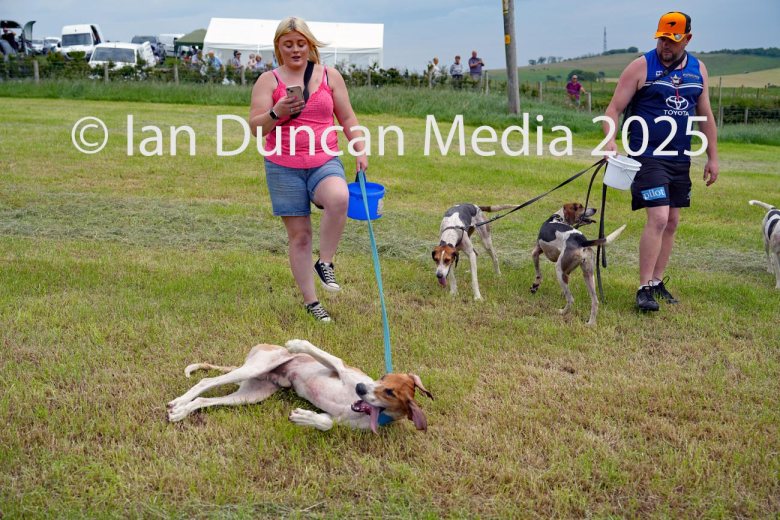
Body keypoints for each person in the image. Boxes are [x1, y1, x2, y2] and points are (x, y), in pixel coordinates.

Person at [249, 16, 368, 322]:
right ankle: (312, 302)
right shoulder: (268, 81)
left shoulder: (330, 76)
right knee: (300, 236)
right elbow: (255, 127)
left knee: (339, 197)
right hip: (283, 166)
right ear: (279, 47)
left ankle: (325, 262)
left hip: (323, 159)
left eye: (301, 43)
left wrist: (358, 146)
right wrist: (277, 112)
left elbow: (349, 118)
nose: (295, 50)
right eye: (288, 44)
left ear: (310, 45)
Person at [601, 11, 718, 312]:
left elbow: (705, 115)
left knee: (673, 222)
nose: (666, 45)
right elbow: (613, 109)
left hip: (679, 157)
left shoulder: (698, 69)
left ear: (687, 39)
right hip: (647, 156)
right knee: (659, 218)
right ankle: (643, 289)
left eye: (673, 40)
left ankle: (656, 281)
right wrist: (610, 139)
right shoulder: (641, 66)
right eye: (662, 39)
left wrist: (712, 157)